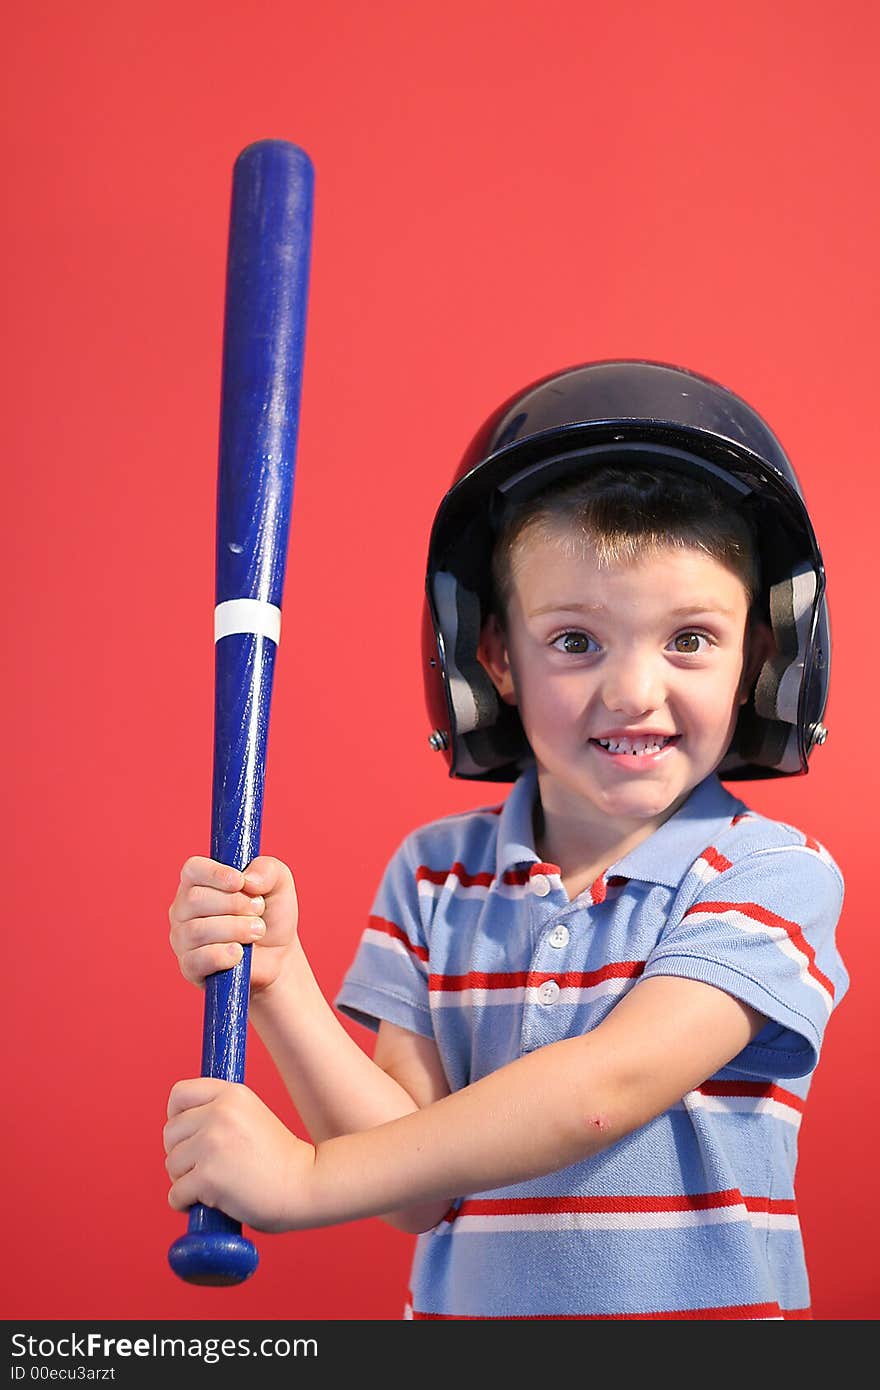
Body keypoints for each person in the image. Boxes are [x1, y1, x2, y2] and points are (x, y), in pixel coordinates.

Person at [164, 360, 848, 1319]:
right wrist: (278, 981)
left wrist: (309, 1179)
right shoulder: (434, 877)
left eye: (689, 638)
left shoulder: (772, 875)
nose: (633, 694)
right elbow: (413, 1185)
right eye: (575, 641)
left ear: (763, 655)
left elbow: (604, 1090)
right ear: (493, 659)